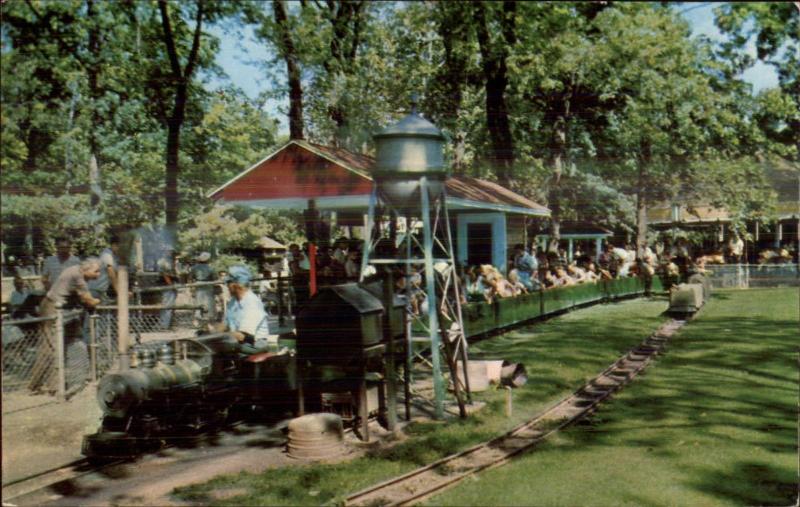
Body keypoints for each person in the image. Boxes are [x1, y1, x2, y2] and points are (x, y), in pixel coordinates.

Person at [29, 258, 102, 393]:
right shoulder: (78, 277)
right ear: (86, 269)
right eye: (96, 271)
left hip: (54, 306)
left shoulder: (75, 269)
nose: (98, 275)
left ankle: (35, 385)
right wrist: (99, 301)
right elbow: (89, 300)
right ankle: (56, 387)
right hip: (51, 308)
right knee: (54, 347)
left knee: (47, 348)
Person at [224, 265, 274, 352]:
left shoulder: (252, 302)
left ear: (236, 285)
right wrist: (211, 330)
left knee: (224, 350)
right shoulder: (233, 301)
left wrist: (220, 335)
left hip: (254, 343)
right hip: (239, 340)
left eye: (228, 283)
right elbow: (225, 325)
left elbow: (242, 335)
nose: (227, 286)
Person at [191, 252, 217, 323]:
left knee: (198, 301)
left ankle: (197, 318)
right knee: (209, 301)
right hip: (208, 283)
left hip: (198, 283)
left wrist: (192, 287)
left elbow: (190, 277)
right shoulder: (210, 268)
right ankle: (209, 318)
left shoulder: (194, 267)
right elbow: (214, 277)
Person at [158, 250, 177, 330]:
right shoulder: (164, 262)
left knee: (168, 305)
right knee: (167, 305)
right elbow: (165, 275)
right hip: (167, 286)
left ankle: (166, 324)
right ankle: (164, 325)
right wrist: (171, 285)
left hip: (168, 285)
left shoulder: (168, 262)